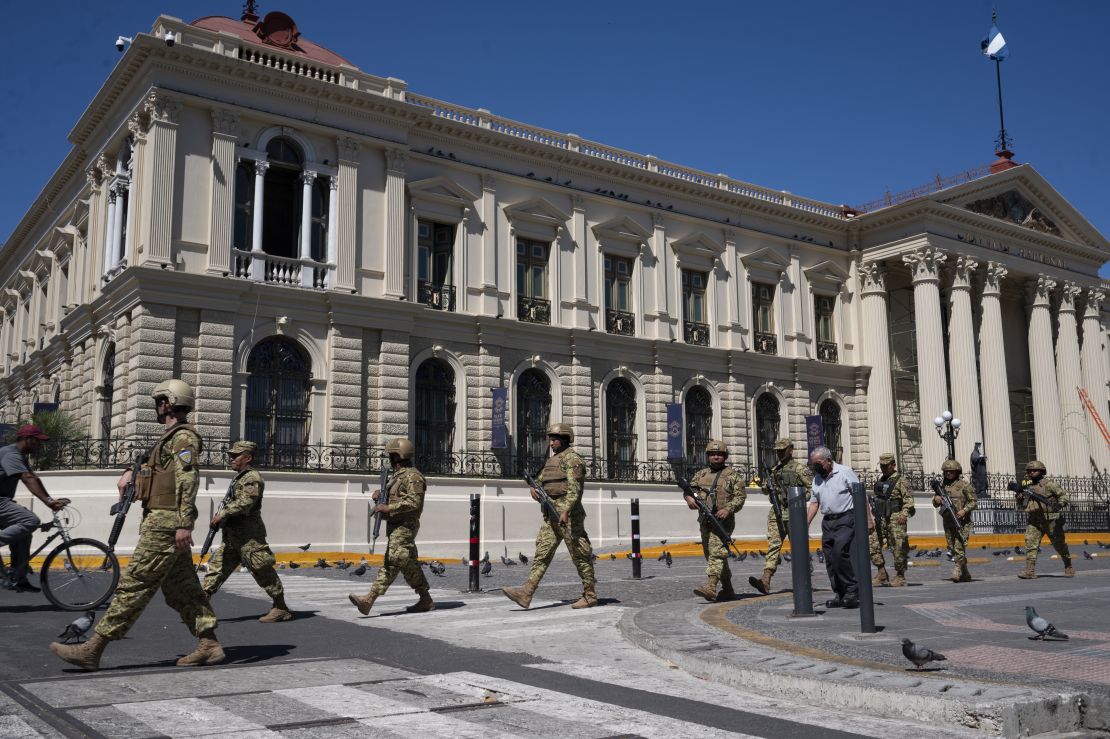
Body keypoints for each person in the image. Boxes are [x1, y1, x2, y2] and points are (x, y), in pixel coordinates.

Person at [51, 379, 222, 671]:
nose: (156, 407)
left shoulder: (183, 438)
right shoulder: (168, 439)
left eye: (159, 401)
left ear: (168, 402)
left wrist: (183, 524)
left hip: (165, 525)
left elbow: (187, 479)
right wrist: (130, 473)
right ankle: (209, 644)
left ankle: (93, 648)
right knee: (183, 588)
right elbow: (155, 471)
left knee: (135, 584)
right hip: (162, 521)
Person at [502, 423, 597, 610]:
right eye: (550, 439)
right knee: (542, 553)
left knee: (580, 555)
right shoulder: (551, 461)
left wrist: (566, 510)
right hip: (551, 516)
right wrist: (534, 489)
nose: (551, 443)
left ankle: (590, 595)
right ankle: (526, 593)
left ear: (564, 439)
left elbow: (574, 490)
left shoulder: (573, 460)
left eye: (554, 439)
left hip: (569, 517)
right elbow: (541, 481)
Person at [201, 440, 291, 621]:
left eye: (235, 456)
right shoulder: (240, 477)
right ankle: (199, 604)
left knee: (262, 571)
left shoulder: (251, 478)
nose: (231, 459)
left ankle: (280, 607)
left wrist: (223, 514)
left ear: (248, 457)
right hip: (233, 537)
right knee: (216, 569)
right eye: (231, 455)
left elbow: (246, 503)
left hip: (250, 538)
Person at [349, 438, 434, 615]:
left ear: (399, 455)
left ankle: (369, 600)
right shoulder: (396, 476)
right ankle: (425, 598)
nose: (390, 458)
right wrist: (381, 497)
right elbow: (396, 498)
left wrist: (388, 507)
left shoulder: (413, 476)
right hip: (395, 525)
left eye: (392, 454)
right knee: (402, 562)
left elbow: (414, 503)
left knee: (394, 560)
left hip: (406, 526)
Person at [0, 425, 70, 591]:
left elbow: (34, 479)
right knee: (30, 520)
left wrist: (51, 499)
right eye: (38, 441)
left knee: (24, 535)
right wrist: (49, 502)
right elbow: (27, 478)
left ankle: (18, 578)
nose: (40, 445)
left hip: (3, 500)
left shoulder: (20, 455)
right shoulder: (11, 454)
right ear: (28, 439)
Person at [806, 446, 873, 609]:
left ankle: (852, 590)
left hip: (845, 518)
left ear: (829, 461)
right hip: (828, 521)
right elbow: (814, 503)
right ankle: (840, 593)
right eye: (813, 464)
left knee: (840, 553)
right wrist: (804, 524)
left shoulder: (844, 472)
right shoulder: (817, 479)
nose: (816, 467)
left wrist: (869, 519)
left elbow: (860, 494)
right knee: (829, 558)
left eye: (818, 463)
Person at [685, 441, 746, 602]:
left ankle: (711, 587)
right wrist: (689, 498)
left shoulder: (732, 475)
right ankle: (728, 590)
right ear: (708, 456)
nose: (716, 456)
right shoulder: (701, 474)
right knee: (710, 554)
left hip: (722, 521)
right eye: (712, 454)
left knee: (717, 552)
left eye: (719, 454)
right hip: (705, 520)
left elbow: (740, 497)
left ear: (725, 456)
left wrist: (728, 509)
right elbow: (689, 489)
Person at [749, 438, 811, 595]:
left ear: (791, 449)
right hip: (776, 513)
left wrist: (797, 498)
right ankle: (766, 579)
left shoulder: (799, 469)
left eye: (783, 450)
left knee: (798, 548)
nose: (780, 453)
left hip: (794, 513)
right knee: (773, 546)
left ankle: (803, 580)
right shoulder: (775, 470)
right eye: (777, 451)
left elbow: (812, 490)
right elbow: (764, 489)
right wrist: (768, 485)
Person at [1016, 460, 1072, 579]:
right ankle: (1030, 571)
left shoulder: (1049, 484)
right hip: (1034, 520)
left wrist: (1060, 504)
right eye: (1029, 471)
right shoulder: (1026, 485)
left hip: (1051, 520)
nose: (1032, 473)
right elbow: (1022, 503)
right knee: (1031, 544)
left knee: (1059, 545)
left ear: (1041, 471)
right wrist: (1019, 496)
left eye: (1035, 470)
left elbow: (1063, 497)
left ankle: (1068, 565)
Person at [868, 452, 914, 587]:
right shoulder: (881, 481)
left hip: (895, 516)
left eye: (886, 466)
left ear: (893, 465)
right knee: (873, 543)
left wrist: (904, 514)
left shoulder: (901, 480)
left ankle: (900, 575)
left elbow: (909, 500)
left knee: (898, 546)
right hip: (880, 517)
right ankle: (881, 572)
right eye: (881, 466)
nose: (883, 468)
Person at [933, 459, 976, 583]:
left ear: (957, 472)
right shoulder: (942, 487)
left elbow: (973, 501)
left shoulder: (964, 485)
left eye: (951, 471)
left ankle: (957, 570)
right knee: (951, 547)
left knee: (959, 546)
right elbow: (935, 504)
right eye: (946, 472)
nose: (948, 474)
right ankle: (965, 573)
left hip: (962, 522)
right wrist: (936, 500)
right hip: (948, 521)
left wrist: (964, 510)